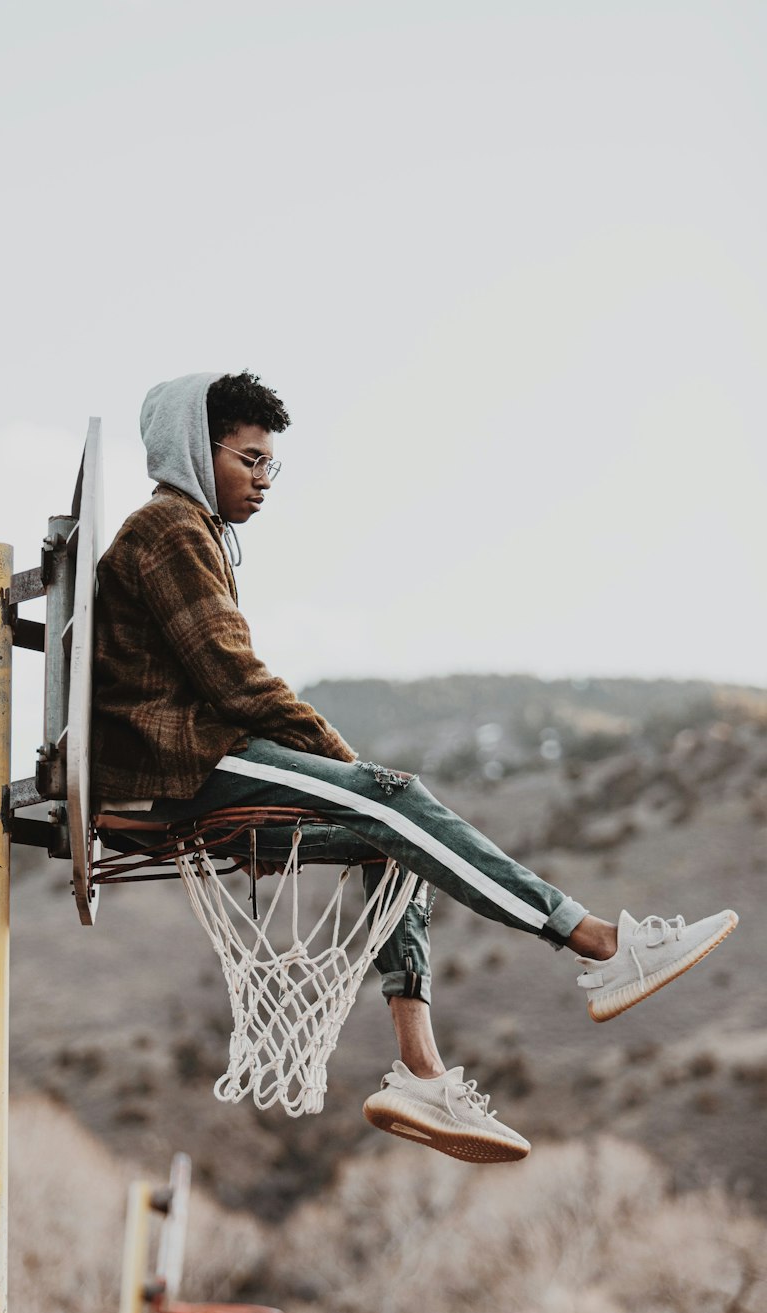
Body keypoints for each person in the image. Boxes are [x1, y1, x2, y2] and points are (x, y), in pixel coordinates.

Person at [90, 370, 738, 1164]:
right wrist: (356, 775)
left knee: (390, 836)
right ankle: (598, 943)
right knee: (398, 804)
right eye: (250, 459)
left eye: (271, 465)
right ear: (198, 447)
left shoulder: (192, 533)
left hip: (189, 763)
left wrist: (368, 796)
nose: (264, 480)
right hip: (177, 769)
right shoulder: (168, 528)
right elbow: (237, 680)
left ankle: (422, 1072)